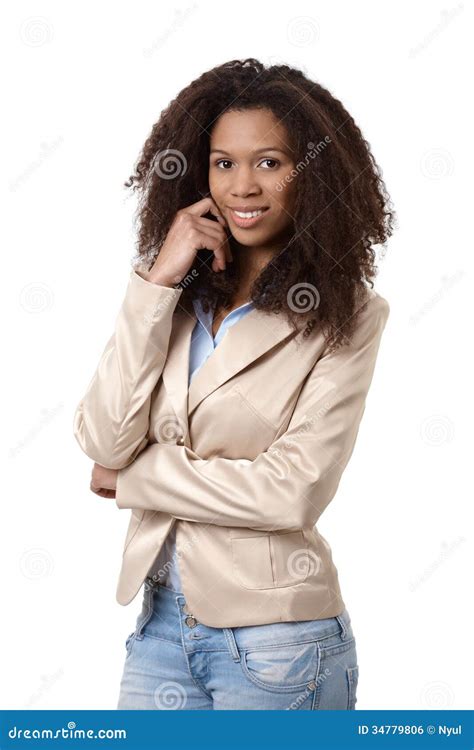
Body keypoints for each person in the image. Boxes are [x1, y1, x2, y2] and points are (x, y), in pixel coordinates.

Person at [73, 58, 394, 710]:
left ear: (313, 174)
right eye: (224, 163)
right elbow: (103, 436)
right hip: (161, 627)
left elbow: (292, 491)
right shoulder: (174, 293)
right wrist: (157, 282)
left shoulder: (349, 314)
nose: (242, 186)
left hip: (279, 644)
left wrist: (137, 478)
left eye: (270, 163)